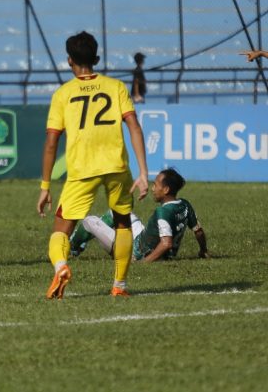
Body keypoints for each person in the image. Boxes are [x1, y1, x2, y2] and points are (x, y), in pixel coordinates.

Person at [36, 31, 149, 299]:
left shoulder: (63, 94)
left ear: (68, 61)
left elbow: (51, 142)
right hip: (116, 166)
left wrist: (45, 185)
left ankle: (62, 266)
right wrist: (144, 172)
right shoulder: (116, 87)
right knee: (123, 223)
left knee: (62, 228)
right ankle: (119, 287)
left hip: (81, 169)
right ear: (97, 58)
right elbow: (133, 125)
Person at [69, 168, 209, 263]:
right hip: (142, 240)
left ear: (166, 189)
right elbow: (199, 231)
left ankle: (72, 248)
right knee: (119, 213)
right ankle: (80, 244)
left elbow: (166, 243)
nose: (153, 188)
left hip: (134, 254)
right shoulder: (184, 204)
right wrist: (203, 250)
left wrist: (143, 262)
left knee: (89, 221)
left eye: (155, 185)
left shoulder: (163, 212)